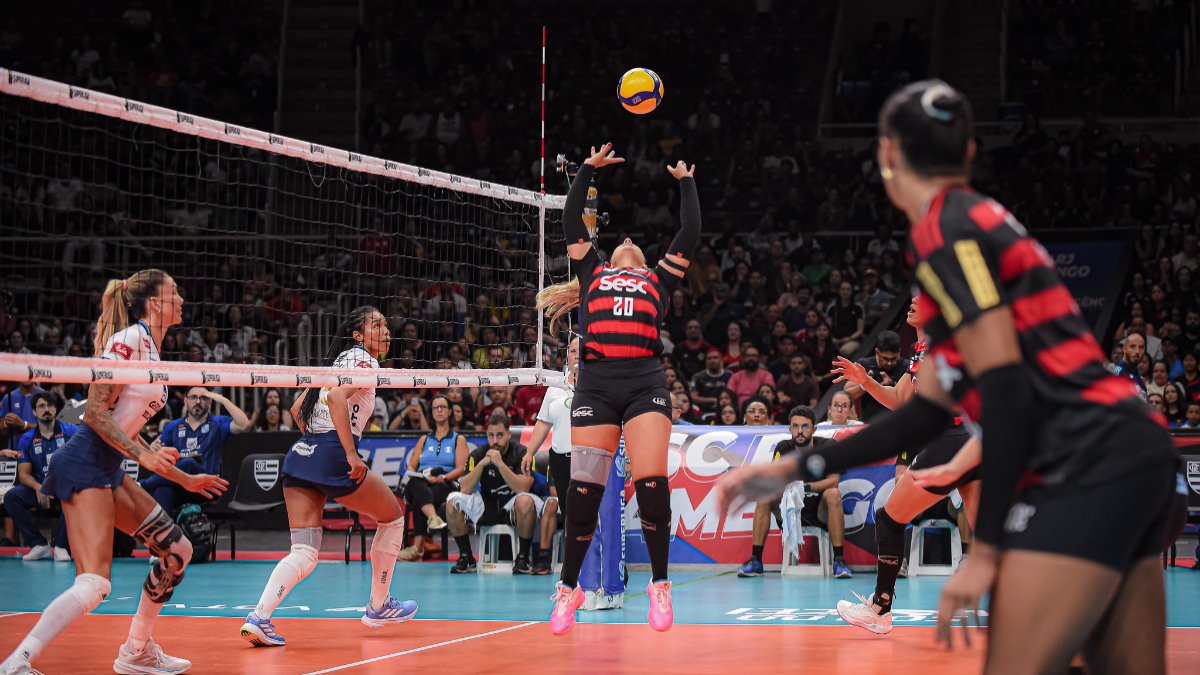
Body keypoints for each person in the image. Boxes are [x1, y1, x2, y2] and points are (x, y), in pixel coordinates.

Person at [715, 81, 1181, 673]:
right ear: (967, 154)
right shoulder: (983, 222)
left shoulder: (945, 230)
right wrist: (799, 466)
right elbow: (927, 409)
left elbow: (1008, 387)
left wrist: (985, 552)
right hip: (1140, 453)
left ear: (886, 155)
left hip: (1088, 463)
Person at [1, 269, 228, 675]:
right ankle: (17, 662)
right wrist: (144, 457)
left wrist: (185, 479)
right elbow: (95, 413)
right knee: (94, 584)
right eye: (174, 291)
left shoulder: (152, 349)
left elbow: (127, 430)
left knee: (177, 551)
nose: (181, 297)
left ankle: (136, 650)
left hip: (110, 468)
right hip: (85, 462)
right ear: (155, 303)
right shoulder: (128, 341)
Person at [536, 144, 700, 635]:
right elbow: (570, 220)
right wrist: (586, 170)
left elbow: (689, 232)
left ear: (645, 258)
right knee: (583, 491)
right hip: (597, 387)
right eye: (621, 239)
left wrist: (685, 182)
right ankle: (569, 590)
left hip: (645, 382)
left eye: (635, 242)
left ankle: (660, 585)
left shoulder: (658, 279)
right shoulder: (593, 272)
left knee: (652, 487)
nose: (628, 239)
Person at [241, 306, 418, 648]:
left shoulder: (335, 363)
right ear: (358, 336)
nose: (386, 331)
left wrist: (319, 444)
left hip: (302, 453)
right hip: (334, 452)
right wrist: (349, 453)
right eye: (377, 325)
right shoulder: (365, 362)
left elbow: (296, 410)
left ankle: (259, 617)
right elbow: (338, 398)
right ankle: (379, 605)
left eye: (385, 325)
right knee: (393, 519)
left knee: (304, 552)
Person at [736, 403, 851, 579]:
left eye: (805, 426)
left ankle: (839, 561)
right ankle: (756, 560)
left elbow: (834, 481)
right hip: (790, 510)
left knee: (833, 493)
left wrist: (804, 487)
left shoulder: (828, 446)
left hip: (819, 511)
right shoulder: (783, 448)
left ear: (814, 429)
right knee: (765, 496)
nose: (800, 431)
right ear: (789, 428)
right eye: (795, 426)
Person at [444, 412, 538, 573]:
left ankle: (522, 559)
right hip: (487, 505)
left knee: (525, 500)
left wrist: (500, 464)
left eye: (500, 435)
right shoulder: (478, 455)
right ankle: (466, 557)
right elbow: (465, 488)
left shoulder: (523, 454)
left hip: (513, 507)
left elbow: (524, 488)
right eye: (491, 436)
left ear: (509, 434)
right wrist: (481, 465)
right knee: (452, 501)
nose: (495, 441)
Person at [521, 338, 580, 574]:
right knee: (569, 517)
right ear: (567, 355)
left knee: (595, 514)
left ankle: (610, 569)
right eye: (573, 351)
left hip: (589, 457)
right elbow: (544, 421)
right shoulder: (556, 386)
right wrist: (529, 452)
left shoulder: (600, 382)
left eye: (581, 351)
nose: (577, 355)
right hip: (560, 458)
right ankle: (572, 572)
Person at [142, 387, 250, 515]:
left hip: (207, 488)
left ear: (210, 402)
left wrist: (222, 400)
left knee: (189, 463)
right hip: (180, 485)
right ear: (185, 401)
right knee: (161, 491)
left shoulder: (218, 423)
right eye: (193, 397)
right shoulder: (173, 427)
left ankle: (143, 486)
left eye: (203, 398)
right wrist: (154, 448)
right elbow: (156, 453)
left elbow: (244, 424)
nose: (198, 401)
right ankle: (165, 532)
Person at [398, 393, 467, 562]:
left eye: (443, 407)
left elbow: (460, 468)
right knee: (415, 482)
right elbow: (411, 466)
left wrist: (442, 477)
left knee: (419, 497)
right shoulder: (424, 439)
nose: (439, 410)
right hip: (423, 481)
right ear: (432, 412)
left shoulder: (459, 439)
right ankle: (432, 517)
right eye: (436, 407)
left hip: (446, 484)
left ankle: (417, 549)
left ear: (450, 411)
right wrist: (422, 475)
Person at [10, 392, 77, 561]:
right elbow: (24, 475)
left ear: (56, 409)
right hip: (41, 490)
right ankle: (39, 545)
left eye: (50, 405)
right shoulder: (26, 439)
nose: (46, 410)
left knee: (77, 495)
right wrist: (39, 487)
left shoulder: (71, 432)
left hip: (65, 487)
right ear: (34, 412)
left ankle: (62, 546)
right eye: (41, 406)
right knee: (12, 497)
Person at [842, 330, 907, 422]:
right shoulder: (864, 365)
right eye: (885, 358)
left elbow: (912, 395)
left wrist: (892, 383)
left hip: (897, 422)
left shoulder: (906, 366)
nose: (889, 362)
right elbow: (847, 393)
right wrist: (866, 383)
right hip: (870, 423)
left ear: (899, 352)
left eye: (893, 359)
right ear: (877, 352)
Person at [0, 380, 43, 451]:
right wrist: (6, 424)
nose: (26, 378)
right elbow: (3, 432)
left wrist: (23, 424)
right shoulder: (8, 397)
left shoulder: (44, 396)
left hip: (39, 448)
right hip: (15, 450)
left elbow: (49, 429)